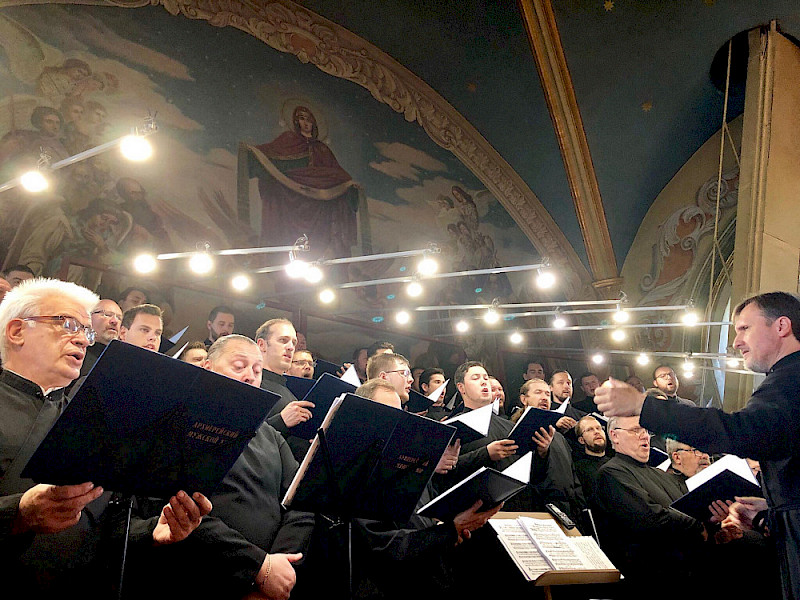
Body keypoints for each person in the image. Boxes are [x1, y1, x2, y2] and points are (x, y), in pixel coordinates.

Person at [0, 278, 210, 595]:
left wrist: (151, 532)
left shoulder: (94, 423)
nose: (84, 341)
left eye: (86, 332)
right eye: (67, 324)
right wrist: (16, 514)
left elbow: (104, 519)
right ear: (17, 332)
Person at [594, 291, 800, 600]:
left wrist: (643, 405)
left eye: (744, 328)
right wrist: (769, 510)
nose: (736, 341)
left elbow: (740, 431)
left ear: (781, 326)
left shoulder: (790, 379)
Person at [345, 378, 500, 600]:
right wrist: (449, 531)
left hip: (432, 579)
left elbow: (427, 518)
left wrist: (459, 519)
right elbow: (382, 546)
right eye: (389, 413)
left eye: (401, 413)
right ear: (365, 417)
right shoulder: (355, 472)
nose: (399, 422)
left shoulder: (408, 463)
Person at [251, 105, 360, 260]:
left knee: (321, 239)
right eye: (302, 118)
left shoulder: (322, 149)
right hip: (290, 198)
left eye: (309, 119)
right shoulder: (288, 139)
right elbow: (268, 155)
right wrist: (251, 152)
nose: (306, 123)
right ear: (296, 121)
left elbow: (336, 174)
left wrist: (348, 185)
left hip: (319, 204)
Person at [257, 318, 316, 463]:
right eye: (283, 340)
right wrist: (281, 421)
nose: (290, 347)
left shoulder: (289, 392)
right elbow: (244, 439)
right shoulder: (253, 383)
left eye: (293, 343)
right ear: (262, 344)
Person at [79, 298, 123, 377]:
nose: (114, 321)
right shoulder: (75, 350)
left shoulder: (120, 362)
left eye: (119, 318)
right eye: (107, 315)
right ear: (88, 317)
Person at [572, 415, 610, 503]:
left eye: (599, 428)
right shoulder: (578, 469)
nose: (596, 432)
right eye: (590, 429)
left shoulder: (618, 463)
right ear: (581, 440)